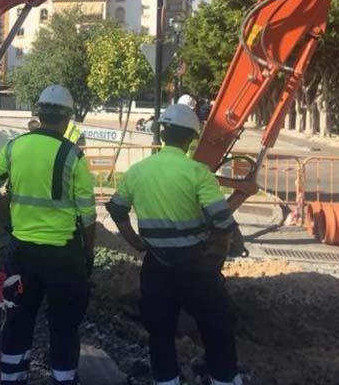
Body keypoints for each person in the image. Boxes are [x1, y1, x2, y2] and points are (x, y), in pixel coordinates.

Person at [105, 103, 258, 385]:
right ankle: (223, 379)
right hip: (197, 268)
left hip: (156, 266)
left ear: (162, 132)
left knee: (160, 333)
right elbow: (222, 222)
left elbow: (116, 209)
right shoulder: (198, 173)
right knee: (216, 328)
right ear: (190, 139)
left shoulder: (138, 171)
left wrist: (134, 240)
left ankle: (167, 380)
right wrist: (241, 198)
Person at [0, 84, 97, 385]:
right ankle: (63, 378)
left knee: (17, 318)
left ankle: (12, 377)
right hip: (63, 256)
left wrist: (8, 223)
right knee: (63, 324)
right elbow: (87, 214)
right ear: (68, 117)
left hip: (22, 254)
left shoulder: (14, 147)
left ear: (39, 113)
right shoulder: (73, 155)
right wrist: (88, 252)